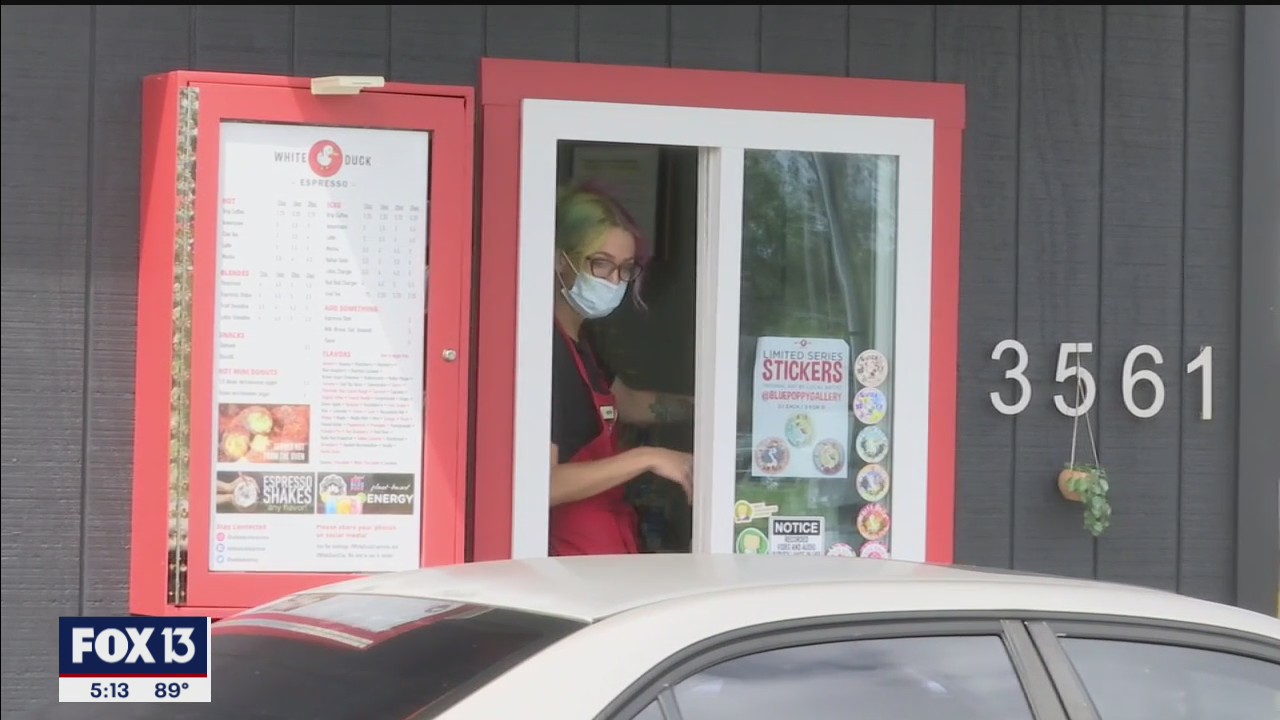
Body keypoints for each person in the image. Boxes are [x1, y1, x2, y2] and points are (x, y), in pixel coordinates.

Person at [550, 185, 695, 556]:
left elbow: (627, 402)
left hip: (605, 551)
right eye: (600, 263)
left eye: (626, 269)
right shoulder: (544, 351)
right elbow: (544, 485)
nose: (614, 281)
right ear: (559, 259)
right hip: (568, 563)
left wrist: (713, 411)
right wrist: (648, 458)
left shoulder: (581, 342)